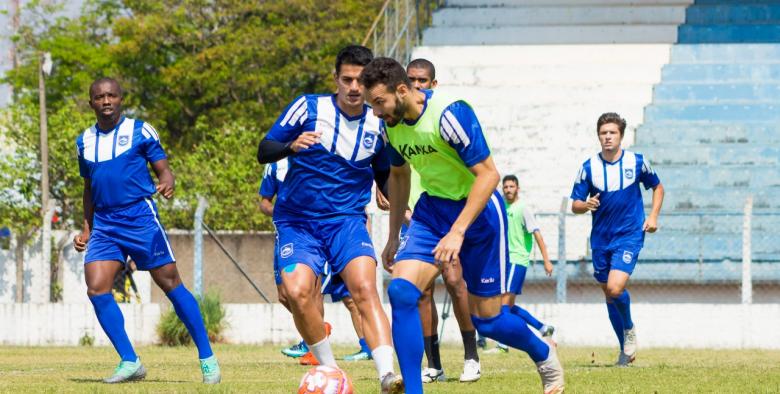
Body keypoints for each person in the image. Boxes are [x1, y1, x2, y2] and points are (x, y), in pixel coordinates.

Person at [361, 57, 564, 394]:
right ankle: (414, 389)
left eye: (379, 103)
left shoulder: (450, 114)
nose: (375, 113)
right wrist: (394, 236)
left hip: (480, 214)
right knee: (400, 291)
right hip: (432, 212)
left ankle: (543, 352)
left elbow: (489, 175)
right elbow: (399, 175)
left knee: (490, 321)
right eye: (372, 105)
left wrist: (458, 231)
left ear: (401, 90)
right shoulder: (390, 124)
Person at [256, 45, 402, 392]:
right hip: (297, 221)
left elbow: (384, 169)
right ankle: (331, 371)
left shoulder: (379, 122)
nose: (354, 87)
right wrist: (291, 146)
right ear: (335, 79)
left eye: (360, 81)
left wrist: (389, 194)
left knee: (365, 289)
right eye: (347, 79)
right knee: (296, 291)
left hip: (346, 221)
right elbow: (264, 149)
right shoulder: (307, 107)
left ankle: (387, 375)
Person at [73, 77, 220, 384]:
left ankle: (207, 358)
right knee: (96, 287)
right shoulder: (83, 141)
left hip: (140, 217)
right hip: (106, 224)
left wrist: (168, 183)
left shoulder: (141, 130)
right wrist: (87, 228)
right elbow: (89, 187)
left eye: (112, 95)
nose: (106, 101)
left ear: (121, 99)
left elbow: (164, 171)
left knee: (170, 283)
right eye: (99, 97)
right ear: (91, 103)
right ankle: (130, 361)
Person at [406, 58, 481, 384]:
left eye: (423, 80)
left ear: (433, 85)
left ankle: (471, 354)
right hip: (418, 214)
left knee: (453, 279)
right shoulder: (398, 122)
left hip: (449, 213)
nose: (417, 85)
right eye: (412, 79)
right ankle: (433, 363)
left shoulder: (442, 120)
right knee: (420, 292)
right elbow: (394, 171)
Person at [570, 112, 664, 366]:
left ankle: (629, 328)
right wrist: (585, 204)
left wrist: (653, 216)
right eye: (603, 133)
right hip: (601, 239)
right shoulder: (589, 167)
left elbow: (657, 186)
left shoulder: (637, 162)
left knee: (614, 288)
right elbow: (575, 204)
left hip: (629, 234)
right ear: (598, 136)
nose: (607, 137)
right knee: (609, 294)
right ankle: (626, 351)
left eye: (612, 132)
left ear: (621, 135)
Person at [258, 160, 371, 364]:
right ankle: (318, 328)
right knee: (285, 295)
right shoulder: (274, 165)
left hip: (314, 234)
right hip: (286, 233)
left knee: (314, 290)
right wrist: (284, 213)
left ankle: (314, 346)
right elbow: (264, 202)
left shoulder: (315, 159)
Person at [486, 175, 555, 353]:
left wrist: (546, 260)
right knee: (505, 305)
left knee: (503, 306)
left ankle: (503, 344)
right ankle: (542, 327)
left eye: (511, 186)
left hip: (517, 260)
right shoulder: (501, 207)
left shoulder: (523, 208)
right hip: (504, 261)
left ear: (518, 188)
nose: (508, 190)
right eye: (506, 187)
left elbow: (537, 234)